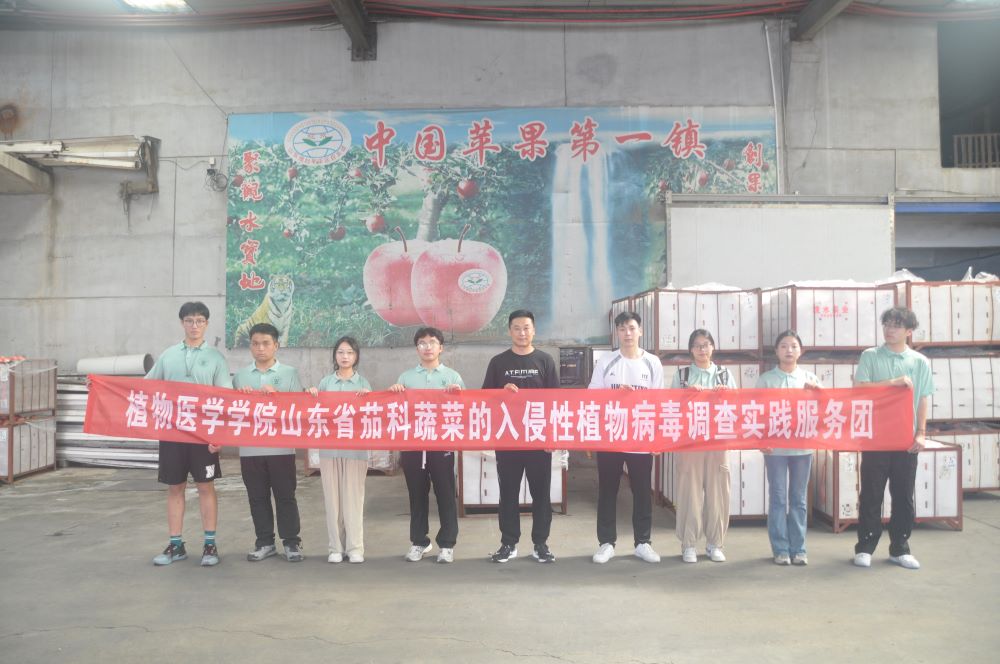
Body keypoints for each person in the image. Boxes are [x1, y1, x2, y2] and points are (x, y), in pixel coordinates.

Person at [146, 302, 232, 567]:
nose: (194, 326)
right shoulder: (168, 355)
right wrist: (101, 386)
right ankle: (176, 545)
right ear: (182, 323)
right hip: (172, 432)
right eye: (189, 321)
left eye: (200, 321)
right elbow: (143, 387)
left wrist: (220, 435)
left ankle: (209, 544)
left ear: (207, 324)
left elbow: (225, 398)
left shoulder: (216, 358)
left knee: (205, 486)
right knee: (175, 487)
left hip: (203, 435)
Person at [853, 307, 933, 570]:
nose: (889, 329)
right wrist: (892, 382)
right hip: (876, 437)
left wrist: (921, 432)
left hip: (905, 440)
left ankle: (900, 548)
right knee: (871, 494)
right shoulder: (870, 356)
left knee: (903, 495)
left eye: (896, 325)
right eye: (886, 324)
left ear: (909, 331)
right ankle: (865, 547)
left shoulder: (920, 362)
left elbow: (923, 398)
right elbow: (860, 388)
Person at [483, 310, 559, 564]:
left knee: (541, 494)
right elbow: (484, 398)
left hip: (539, 439)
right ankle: (508, 543)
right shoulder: (498, 362)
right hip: (508, 439)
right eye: (517, 328)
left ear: (534, 330)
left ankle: (540, 544)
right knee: (508, 493)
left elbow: (555, 401)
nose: (522, 333)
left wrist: (552, 435)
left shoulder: (545, 361)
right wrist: (500, 391)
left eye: (526, 327)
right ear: (509, 331)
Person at [588, 311, 665, 565]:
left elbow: (658, 402)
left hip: (640, 436)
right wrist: (614, 395)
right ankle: (606, 543)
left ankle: (643, 542)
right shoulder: (606, 361)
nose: (627, 333)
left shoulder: (652, 362)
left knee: (641, 490)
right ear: (617, 333)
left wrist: (657, 438)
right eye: (622, 329)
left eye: (631, 328)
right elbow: (591, 395)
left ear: (640, 331)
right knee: (607, 489)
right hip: (611, 436)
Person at [389, 327, 465, 563]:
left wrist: (457, 395)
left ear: (441, 347)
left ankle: (447, 544)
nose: (427, 347)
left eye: (432, 342)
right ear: (417, 349)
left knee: (445, 494)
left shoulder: (452, 377)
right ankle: (419, 541)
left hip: (442, 445)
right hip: (413, 445)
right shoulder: (406, 378)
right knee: (416, 495)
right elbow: (397, 411)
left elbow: (464, 411)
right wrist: (394, 393)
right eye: (422, 343)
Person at [232, 323, 305, 563]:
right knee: (257, 497)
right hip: (250, 449)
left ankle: (291, 542)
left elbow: (300, 408)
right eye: (255, 343)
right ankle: (264, 542)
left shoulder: (289, 373)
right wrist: (239, 398)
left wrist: (278, 397)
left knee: (285, 495)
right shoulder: (240, 376)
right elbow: (230, 411)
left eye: (265, 343)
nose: (260, 348)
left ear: (276, 345)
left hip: (281, 447)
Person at [755, 330, 821, 566]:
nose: (789, 350)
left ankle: (799, 549)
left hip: (803, 448)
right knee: (778, 498)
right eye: (783, 346)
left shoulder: (810, 379)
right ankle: (781, 548)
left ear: (800, 351)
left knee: (799, 499)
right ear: (776, 351)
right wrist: (761, 440)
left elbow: (826, 408)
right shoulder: (766, 380)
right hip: (775, 449)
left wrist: (817, 392)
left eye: (793, 346)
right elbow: (757, 412)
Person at [671, 328, 736, 563]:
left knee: (718, 492)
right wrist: (685, 396)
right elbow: (669, 408)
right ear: (691, 350)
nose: (702, 349)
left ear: (713, 347)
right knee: (689, 492)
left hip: (718, 442)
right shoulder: (682, 376)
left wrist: (727, 395)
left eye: (706, 344)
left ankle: (715, 544)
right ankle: (688, 544)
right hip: (690, 442)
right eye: (697, 345)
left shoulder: (725, 375)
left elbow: (739, 406)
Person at [309, 336, 372, 564]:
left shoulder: (363, 384)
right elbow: (315, 413)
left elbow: (371, 415)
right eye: (341, 352)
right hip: (330, 449)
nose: (345, 357)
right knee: (332, 500)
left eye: (350, 352)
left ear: (356, 356)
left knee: (353, 499)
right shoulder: (325, 383)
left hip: (355, 450)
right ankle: (335, 547)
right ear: (335, 355)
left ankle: (355, 547)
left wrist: (367, 399)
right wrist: (312, 395)